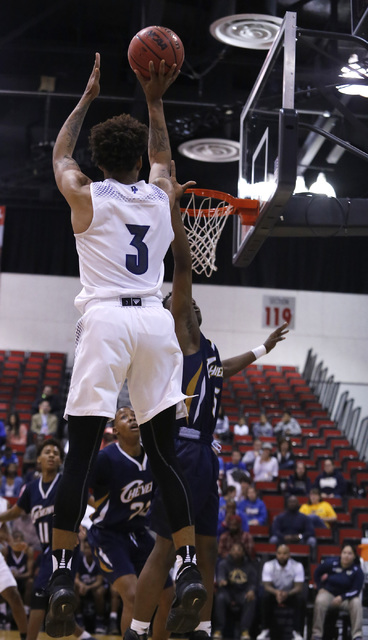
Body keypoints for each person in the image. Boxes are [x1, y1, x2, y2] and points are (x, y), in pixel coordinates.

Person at [47, 53, 206, 638]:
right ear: (140, 160)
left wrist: (86, 99)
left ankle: (61, 574)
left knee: (81, 452)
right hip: (156, 322)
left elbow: (60, 155)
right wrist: (156, 99)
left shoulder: (85, 192)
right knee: (163, 455)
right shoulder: (161, 194)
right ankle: (188, 568)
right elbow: (165, 158)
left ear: (98, 161)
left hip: (107, 319)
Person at [124, 164, 288, 640]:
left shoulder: (209, 350)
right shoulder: (183, 336)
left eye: (190, 306)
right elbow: (183, 269)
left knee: (209, 549)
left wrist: (264, 349)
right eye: (182, 304)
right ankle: (137, 628)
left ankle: (203, 630)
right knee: (165, 546)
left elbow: (227, 368)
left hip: (204, 458)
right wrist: (174, 214)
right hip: (183, 450)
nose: (187, 306)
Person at [87, 406, 173, 640]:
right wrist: (96, 506)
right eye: (125, 417)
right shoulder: (105, 458)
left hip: (139, 533)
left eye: (135, 416)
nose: (132, 419)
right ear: (115, 430)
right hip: (107, 536)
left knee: (168, 596)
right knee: (133, 595)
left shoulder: (153, 456)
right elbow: (76, 484)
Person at [0, 438, 96, 640]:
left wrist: (82, 524)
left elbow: (89, 503)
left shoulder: (66, 482)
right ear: (38, 459)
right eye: (47, 452)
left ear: (61, 461)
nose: (52, 455)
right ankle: (85, 636)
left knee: (38, 595)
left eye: (56, 453)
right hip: (45, 550)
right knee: (55, 603)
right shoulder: (31, 488)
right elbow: (17, 511)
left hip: (65, 548)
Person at [311, 543, 364, 640]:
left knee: (357, 602)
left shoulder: (357, 571)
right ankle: (317, 634)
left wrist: (342, 597)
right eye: (344, 553)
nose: (346, 556)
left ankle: (357, 636)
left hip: (346, 599)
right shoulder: (332, 563)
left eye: (349, 553)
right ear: (341, 554)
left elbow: (356, 590)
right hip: (329, 594)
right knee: (320, 600)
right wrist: (319, 587)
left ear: (354, 556)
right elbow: (317, 572)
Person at [256, 543, 306, 640]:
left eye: (284, 553)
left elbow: (299, 587)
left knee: (300, 598)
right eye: (279, 553)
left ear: (289, 554)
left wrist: (286, 594)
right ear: (276, 554)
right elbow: (266, 585)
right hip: (274, 594)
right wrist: (277, 593)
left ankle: (297, 632)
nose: (282, 556)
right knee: (264, 596)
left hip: (290, 593)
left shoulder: (297, 566)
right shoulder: (268, 565)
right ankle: (265, 630)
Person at [212, 542, 257, 640]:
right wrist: (221, 581)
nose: (236, 552)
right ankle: (218, 629)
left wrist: (251, 590)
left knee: (251, 599)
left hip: (242, 593)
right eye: (234, 549)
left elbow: (253, 583)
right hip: (228, 592)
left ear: (243, 553)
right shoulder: (223, 564)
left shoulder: (249, 565)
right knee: (220, 597)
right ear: (230, 552)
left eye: (239, 550)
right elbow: (220, 577)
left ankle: (245, 631)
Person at [0, 497, 28, 640]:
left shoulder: (4, 503)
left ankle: (26, 637)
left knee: (14, 595)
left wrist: (12, 543)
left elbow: (3, 527)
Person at [74, 540, 107, 634]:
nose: (87, 550)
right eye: (85, 548)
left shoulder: (98, 559)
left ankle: (99, 620)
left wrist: (87, 587)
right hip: (83, 587)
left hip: (95, 587)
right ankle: (79, 618)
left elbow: (99, 582)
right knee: (74, 588)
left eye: (89, 548)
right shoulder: (79, 558)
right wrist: (81, 585)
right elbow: (76, 578)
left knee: (99, 591)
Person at [3, 530, 34, 615]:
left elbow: (29, 573)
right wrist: (10, 576)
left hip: (22, 579)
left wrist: (17, 576)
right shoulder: (6, 550)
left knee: (30, 582)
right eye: (16, 539)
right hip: (9, 580)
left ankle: (26, 610)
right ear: (11, 541)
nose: (18, 542)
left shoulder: (28, 551)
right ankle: (3, 612)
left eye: (20, 540)